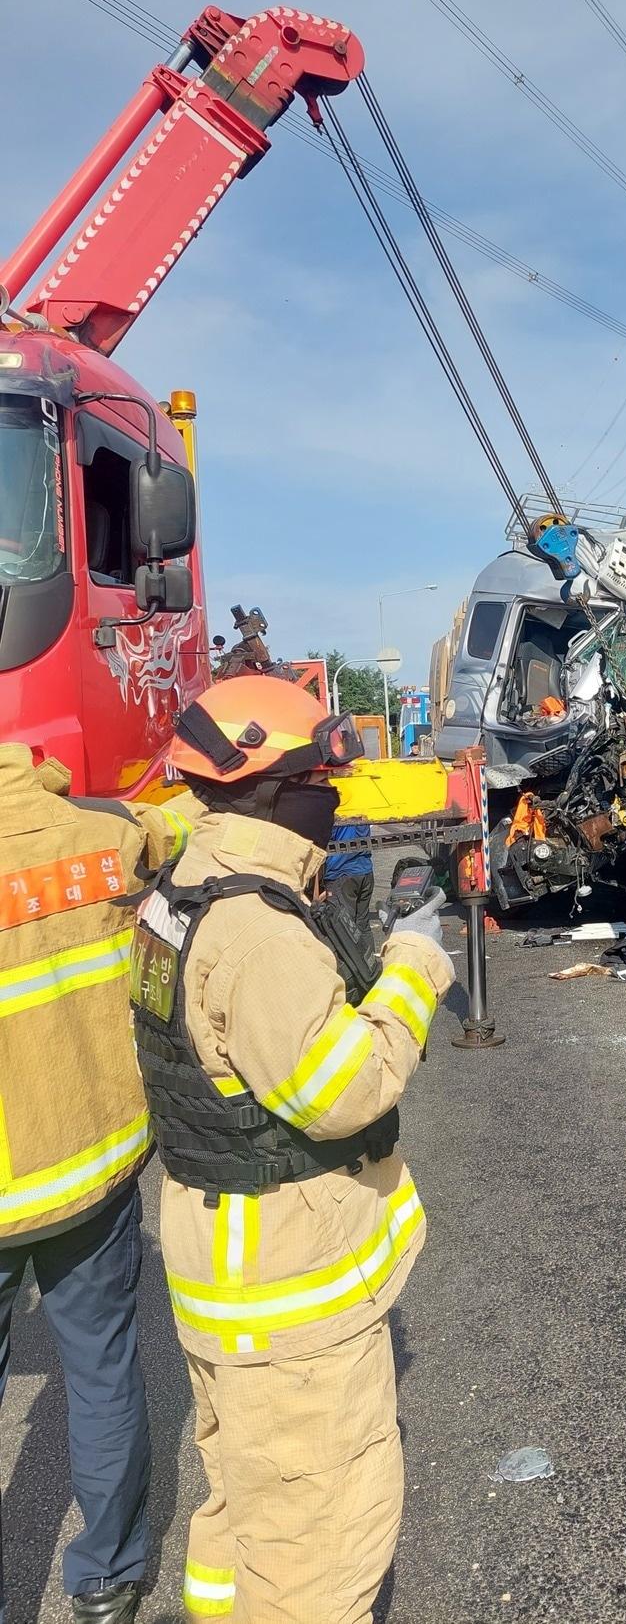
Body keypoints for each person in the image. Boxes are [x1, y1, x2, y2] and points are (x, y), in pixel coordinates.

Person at [128, 678, 452, 1624]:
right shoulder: (257, 932)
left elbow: (220, 1061)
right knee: (320, 1544)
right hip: (290, 1295)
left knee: (241, 1508)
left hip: (221, 1275)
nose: (335, 794)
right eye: (322, 777)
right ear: (273, 790)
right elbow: (343, 1088)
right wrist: (412, 964)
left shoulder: (180, 895)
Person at [0, 744, 191, 1624]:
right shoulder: (98, 837)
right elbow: (174, 832)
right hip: (92, 1163)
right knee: (103, 1369)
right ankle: (109, 1580)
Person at [324, 815, 374, 935]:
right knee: (363, 924)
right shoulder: (360, 809)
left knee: (343, 927)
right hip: (365, 871)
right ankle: (368, 952)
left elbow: (323, 836)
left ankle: (348, 953)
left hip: (342, 872)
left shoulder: (339, 812)